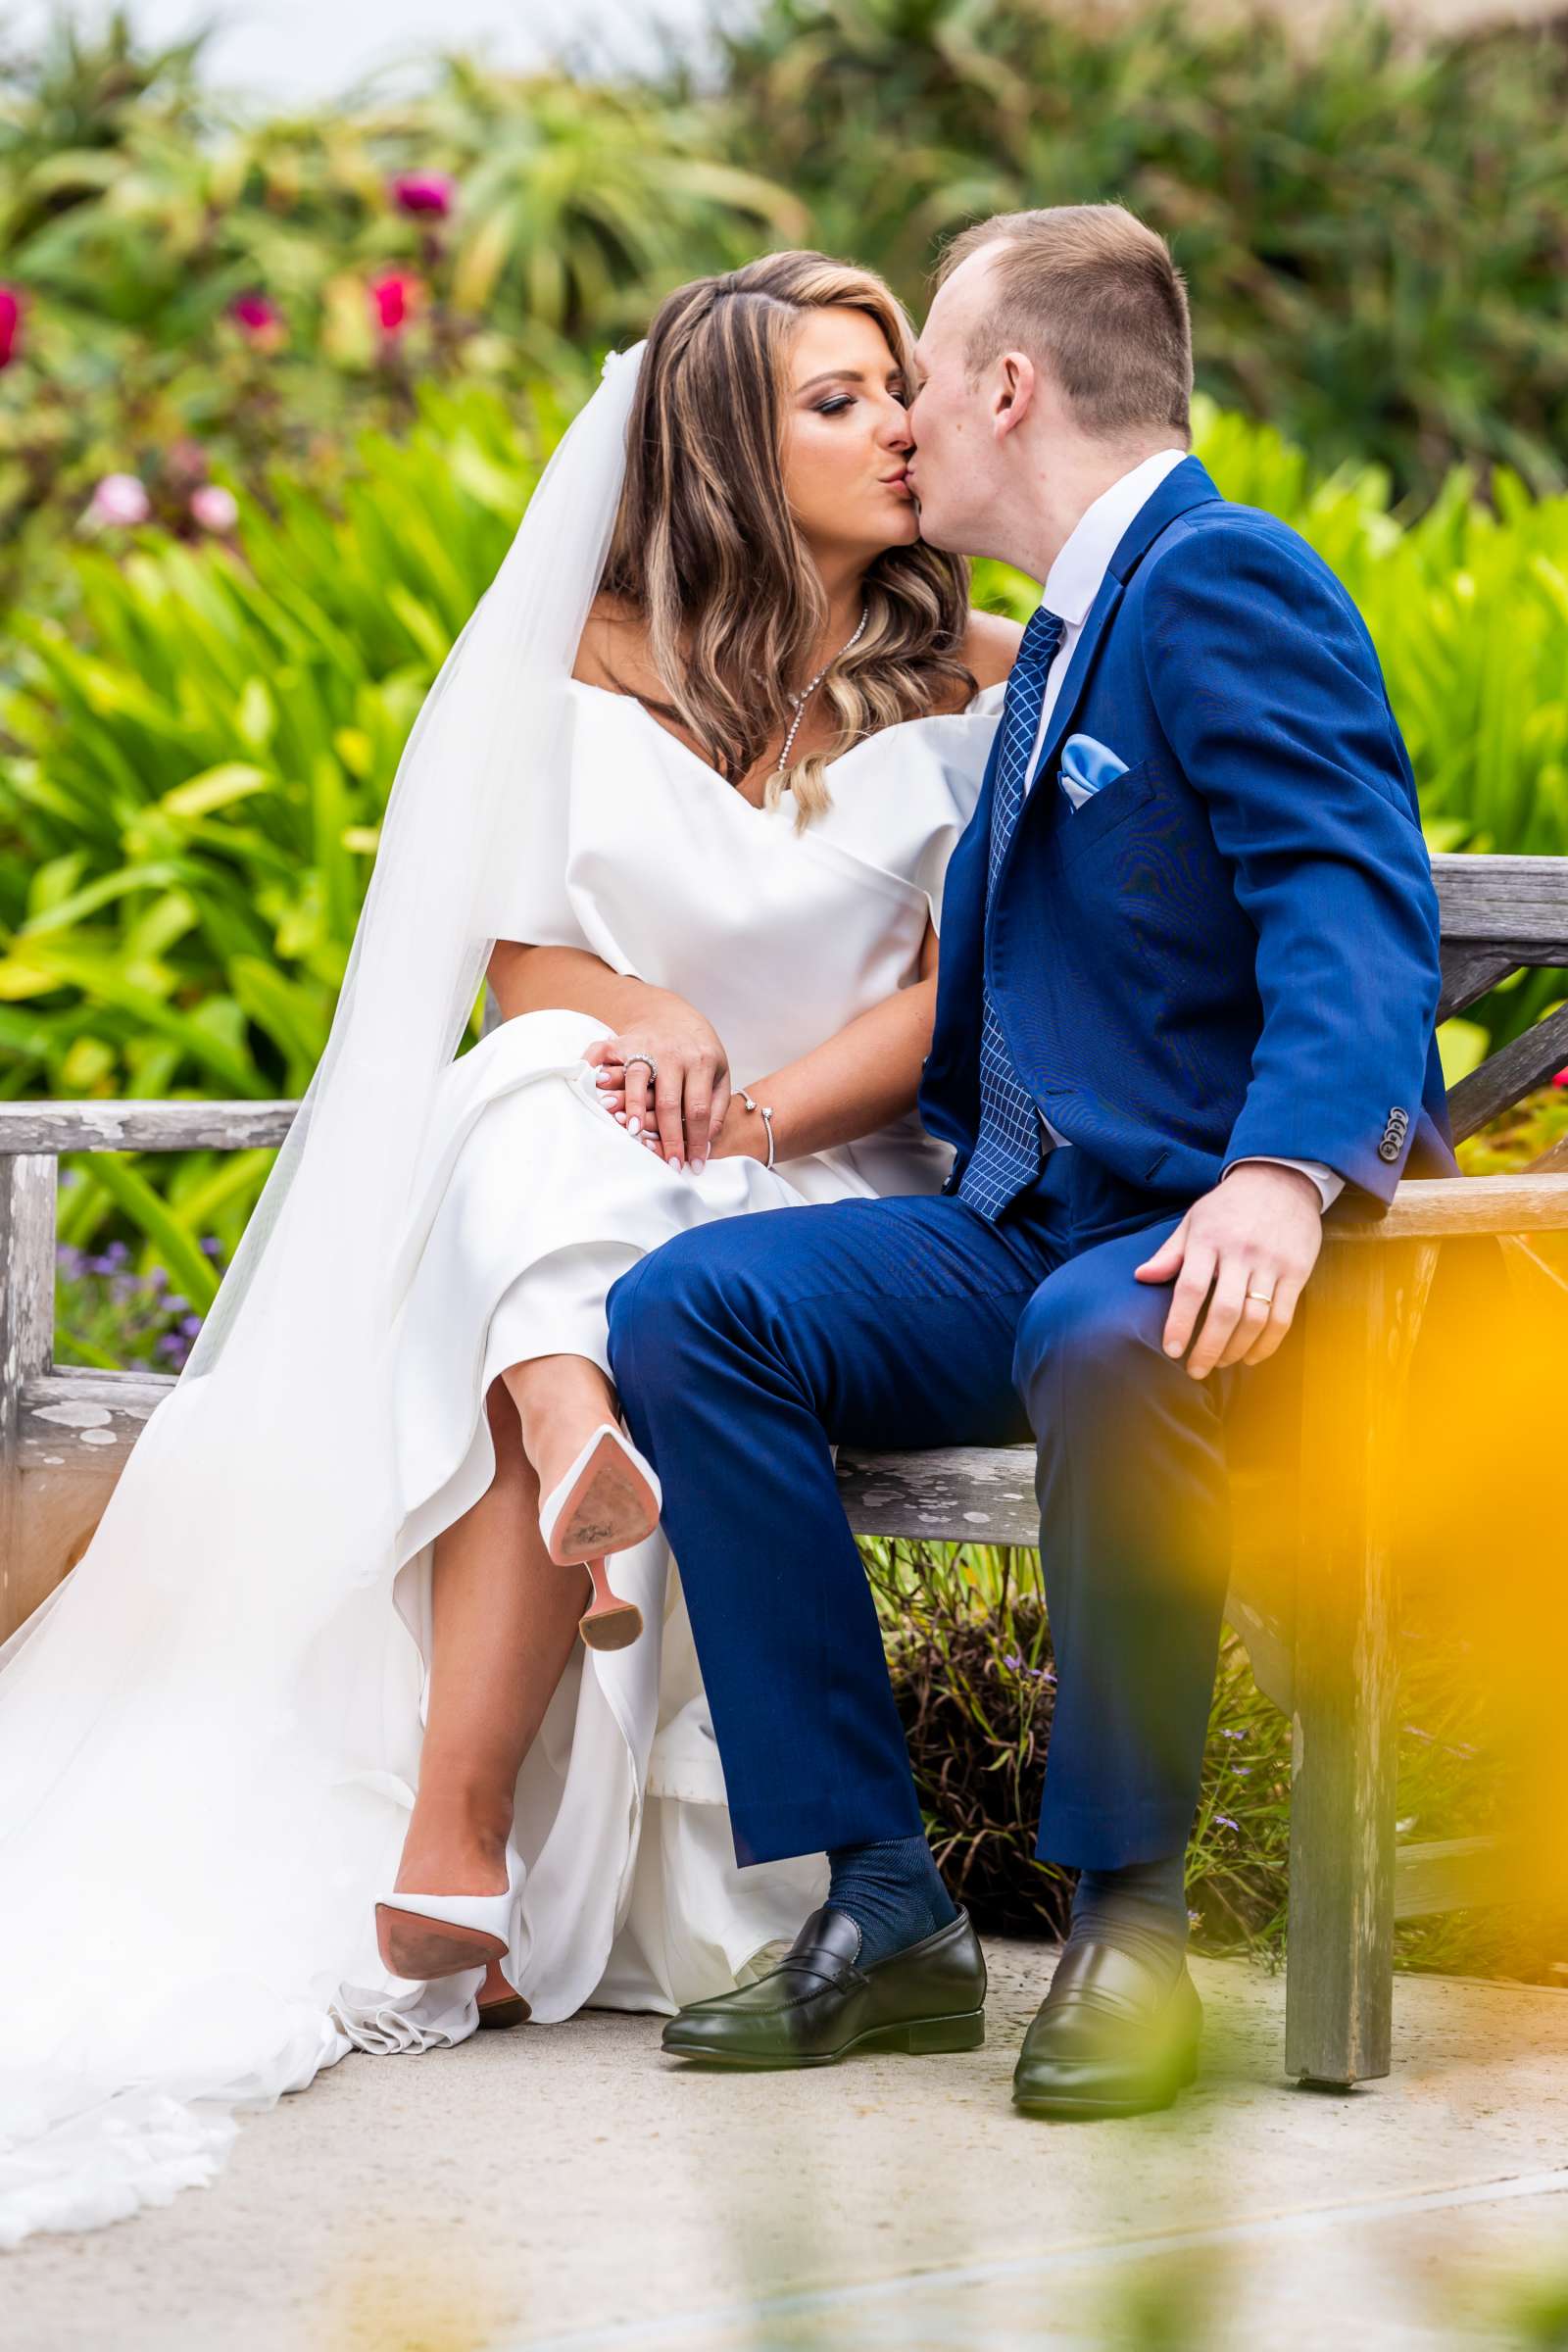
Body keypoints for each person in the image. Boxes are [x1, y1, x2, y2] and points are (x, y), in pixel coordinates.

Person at [0, 252, 1020, 2243]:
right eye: (839, 396)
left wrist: (754, 1104)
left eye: (899, 383)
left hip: (826, 1184)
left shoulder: (973, 679)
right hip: (626, 1142)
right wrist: (647, 1030)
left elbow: (934, 995)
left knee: (549, 1171)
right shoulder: (583, 664)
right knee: (546, 1083)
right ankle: (561, 1468)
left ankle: (469, 1757)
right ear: (730, 441)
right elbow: (524, 957)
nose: (900, 420)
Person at [606, 204, 1455, 2119]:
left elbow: (1349, 910)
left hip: (1207, 1259)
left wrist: (1281, 1174)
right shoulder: (1069, 617)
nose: (902, 420)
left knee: (1101, 1334)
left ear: (1008, 387)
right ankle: (884, 1900)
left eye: (919, 383)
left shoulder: (1222, 580)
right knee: (687, 1312)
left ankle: (1127, 1926)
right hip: (1021, 1227)